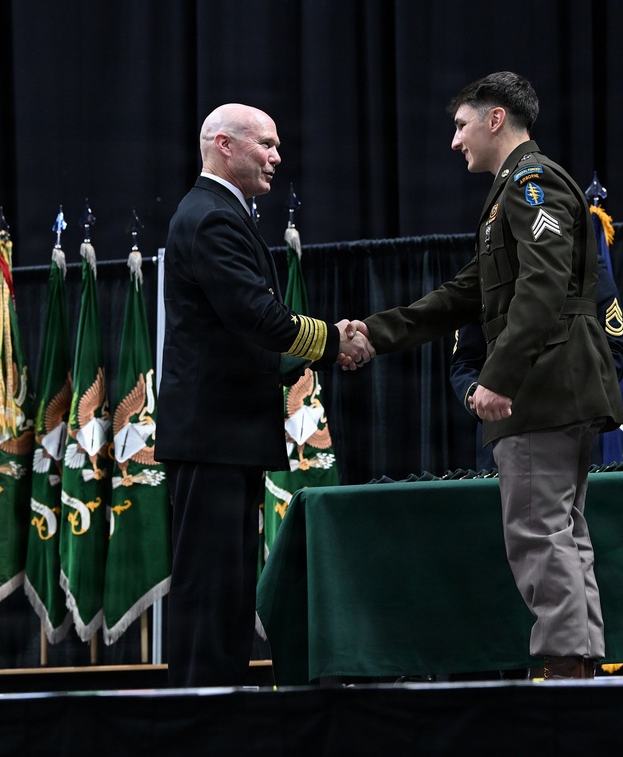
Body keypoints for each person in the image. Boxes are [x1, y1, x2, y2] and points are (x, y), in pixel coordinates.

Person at [353, 72, 623, 679]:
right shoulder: (508, 193)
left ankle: (565, 676)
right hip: (558, 384)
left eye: (461, 125)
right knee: (562, 534)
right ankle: (580, 672)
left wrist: (498, 376)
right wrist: (374, 332)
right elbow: (465, 294)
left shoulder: (531, 183)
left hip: (546, 387)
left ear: (495, 118)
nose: (455, 142)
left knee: (537, 534)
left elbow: (543, 283)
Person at [156, 103, 373, 688]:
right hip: (213, 435)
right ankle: (202, 706)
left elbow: (236, 333)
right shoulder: (211, 217)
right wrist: (332, 341)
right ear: (225, 145)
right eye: (268, 145)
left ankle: (220, 695)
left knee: (227, 581)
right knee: (209, 582)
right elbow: (256, 316)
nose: (278, 157)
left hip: (225, 433)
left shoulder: (221, 212)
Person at [450, 252, 623, 471]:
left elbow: (615, 350)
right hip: (503, 434)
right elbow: (465, 364)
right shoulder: (485, 271)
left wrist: (571, 395)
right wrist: (478, 396)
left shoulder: (582, 263)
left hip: (571, 430)